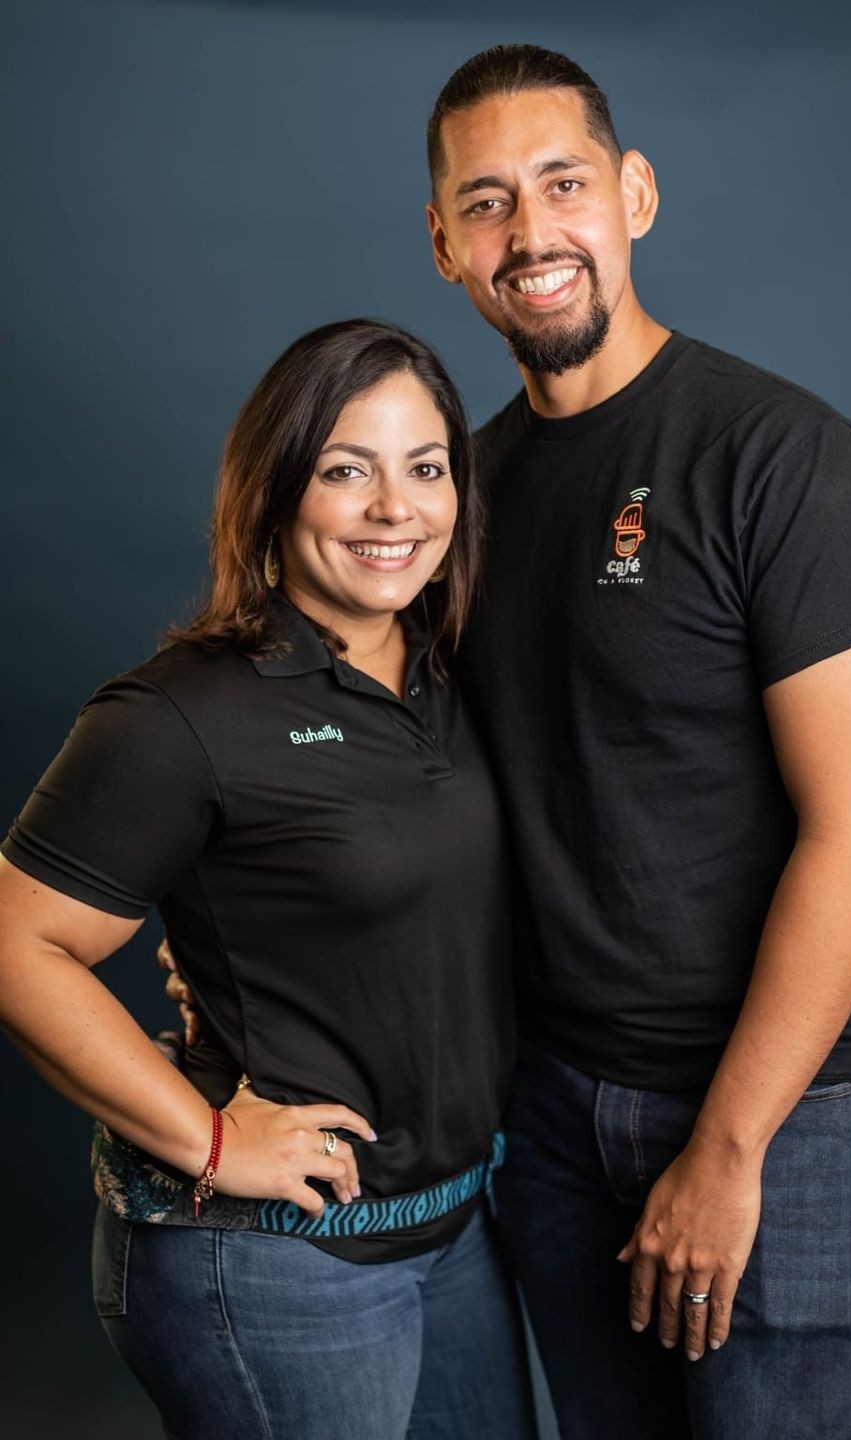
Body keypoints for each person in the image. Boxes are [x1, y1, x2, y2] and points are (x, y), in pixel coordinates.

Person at [421, 44, 851, 1440]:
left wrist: (727, 1144)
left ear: (634, 194)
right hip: (547, 1113)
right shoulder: (460, 493)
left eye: (564, 183)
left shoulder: (781, 457)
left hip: (781, 1119)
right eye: (486, 202)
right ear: (444, 246)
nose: (531, 234)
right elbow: (402, 786)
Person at [0, 319, 536, 1440]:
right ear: (277, 490)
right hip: (271, 1265)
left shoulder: (454, 669)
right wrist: (211, 1142)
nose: (397, 508)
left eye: (424, 468)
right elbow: (15, 944)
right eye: (349, 469)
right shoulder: (185, 712)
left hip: (453, 1231)